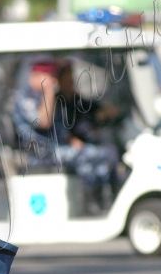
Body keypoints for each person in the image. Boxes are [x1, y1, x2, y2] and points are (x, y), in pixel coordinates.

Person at [12, 58, 120, 214]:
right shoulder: (26, 97)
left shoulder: (44, 97)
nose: (54, 81)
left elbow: (60, 128)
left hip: (55, 148)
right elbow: (44, 122)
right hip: (40, 153)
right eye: (50, 77)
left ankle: (94, 205)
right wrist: (49, 91)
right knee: (101, 155)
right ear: (37, 76)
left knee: (96, 164)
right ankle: (92, 204)